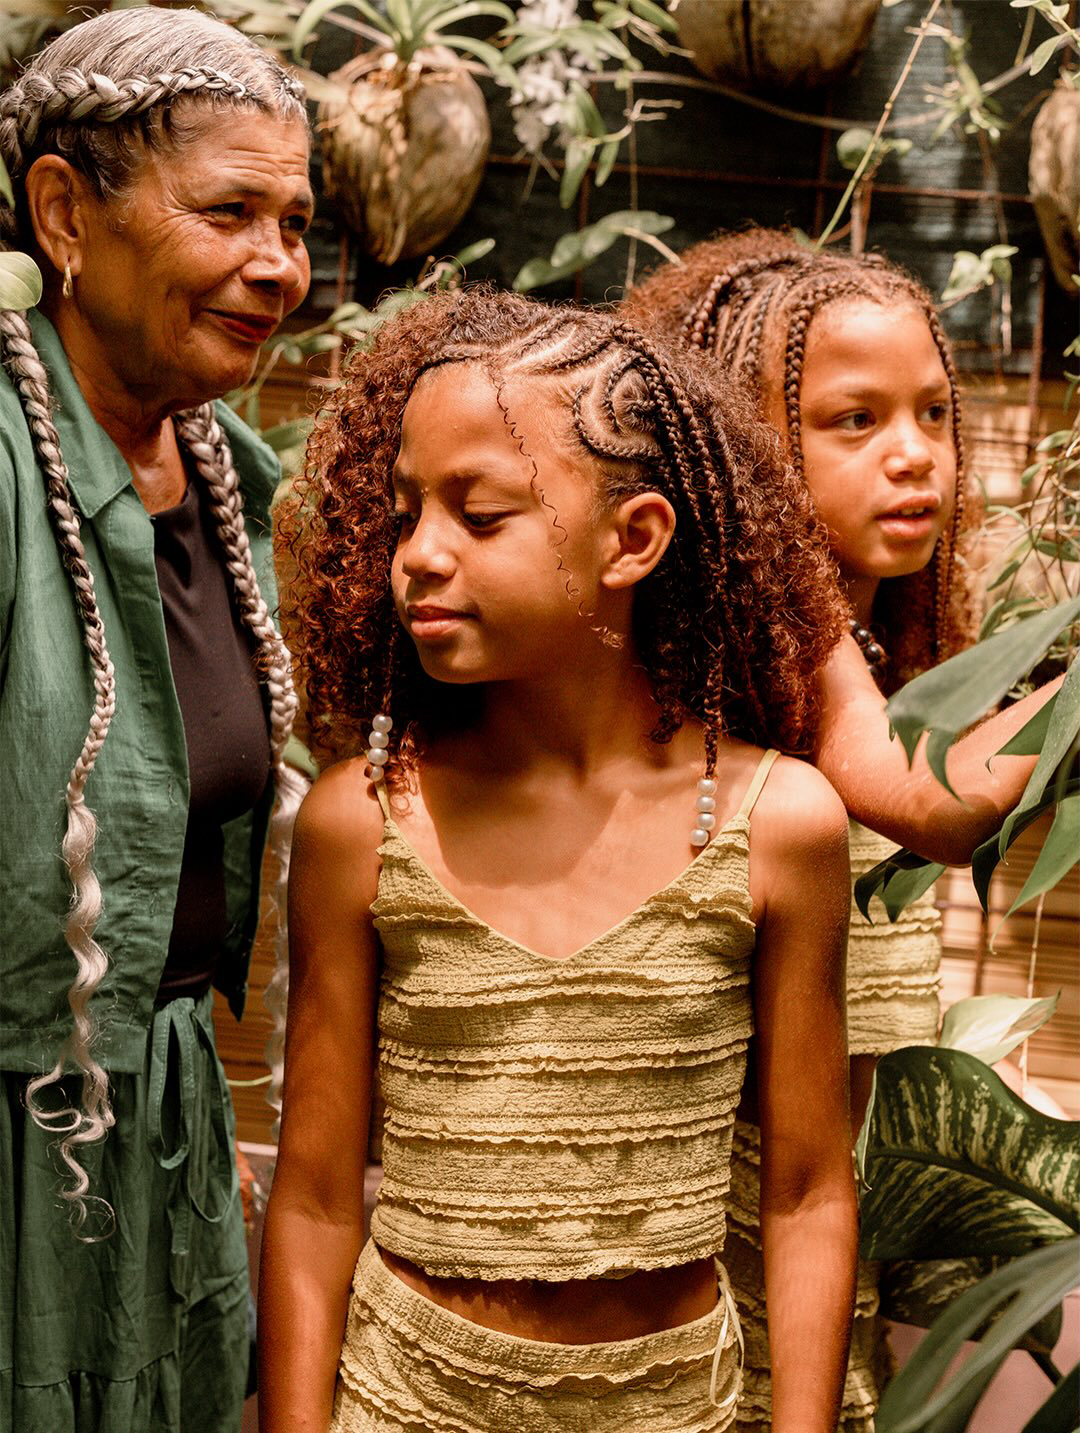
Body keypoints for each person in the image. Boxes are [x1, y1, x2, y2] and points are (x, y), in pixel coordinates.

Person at [260, 289, 860, 1433]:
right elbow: (318, 1198)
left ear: (633, 538)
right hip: (406, 1399)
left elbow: (806, 1189)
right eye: (405, 514)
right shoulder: (365, 823)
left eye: (478, 516)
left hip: (672, 1404)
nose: (419, 557)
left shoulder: (779, 824)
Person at [620, 228, 995, 1429]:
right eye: (854, 420)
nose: (913, 455)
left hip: (835, 1205)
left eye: (935, 414)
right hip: (721, 1216)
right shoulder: (779, 643)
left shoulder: (908, 655)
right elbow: (926, 800)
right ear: (747, 447)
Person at [0, 10, 312, 1429]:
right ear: (66, 212)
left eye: (296, 223)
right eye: (230, 210)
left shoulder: (230, 477)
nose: (279, 266)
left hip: (159, 1118)